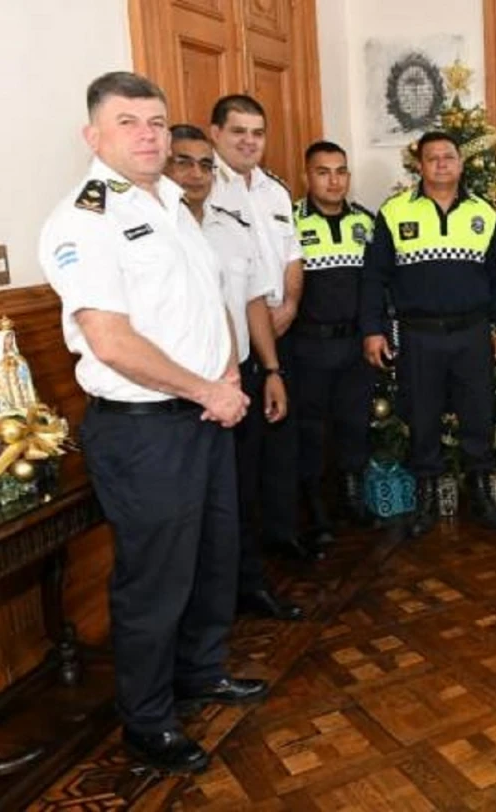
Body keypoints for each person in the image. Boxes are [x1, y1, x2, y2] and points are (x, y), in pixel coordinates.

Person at [39, 72, 265, 774]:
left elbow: (207, 302)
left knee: (213, 558)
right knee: (155, 580)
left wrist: (227, 376)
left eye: (157, 122)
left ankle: (201, 671)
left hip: (205, 413)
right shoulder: (84, 220)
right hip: (144, 430)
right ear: (93, 135)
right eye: (129, 122)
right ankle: (148, 723)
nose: (147, 135)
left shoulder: (172, 201)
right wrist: (208, 388)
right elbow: (111, 341)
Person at [164, 124, 303, 622]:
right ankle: (202, 609)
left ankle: (247, 586)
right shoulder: (156, 232)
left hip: (241, 375)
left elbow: (253, 303)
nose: (196, 174)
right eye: (183, 162)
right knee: (189, 509)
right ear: (163, 164)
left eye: (204, 164)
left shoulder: (231, 227)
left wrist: (271, 369)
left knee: (241, 493)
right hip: (180, 389)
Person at [363, 131, 496, 538]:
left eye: (449, 157)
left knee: (478, 416)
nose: (442, 163)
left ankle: (480, 494)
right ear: (420, 166)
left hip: (472, 333)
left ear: (461, 164)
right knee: (422, 416)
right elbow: (374, 278)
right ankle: (425, 498)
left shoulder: (484, 213)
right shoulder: (394, 213)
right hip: (418, 335)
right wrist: (373, 330)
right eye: (433, 158)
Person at [208, 95, 318, 564]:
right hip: (235, 342)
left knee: (282, 441)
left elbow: (293, 256)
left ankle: (282, 534)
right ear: (216, 133)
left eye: (257, 133)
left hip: (280, 328)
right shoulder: (204, 190)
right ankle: (244, 557)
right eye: (238, 131)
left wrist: (290, 303)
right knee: (243, 454)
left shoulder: (274, 191)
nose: (249, 141)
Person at [291, 141, 376, 537]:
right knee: (311, 431)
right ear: (306, 176)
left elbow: (377, 286)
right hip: (309, 346)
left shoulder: (365, 222)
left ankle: (351, 498)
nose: (334, 180)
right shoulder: (289, 222)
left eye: (341, 171)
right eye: (323, 172)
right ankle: (315, 508)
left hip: (354, 346)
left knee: (354, 424)